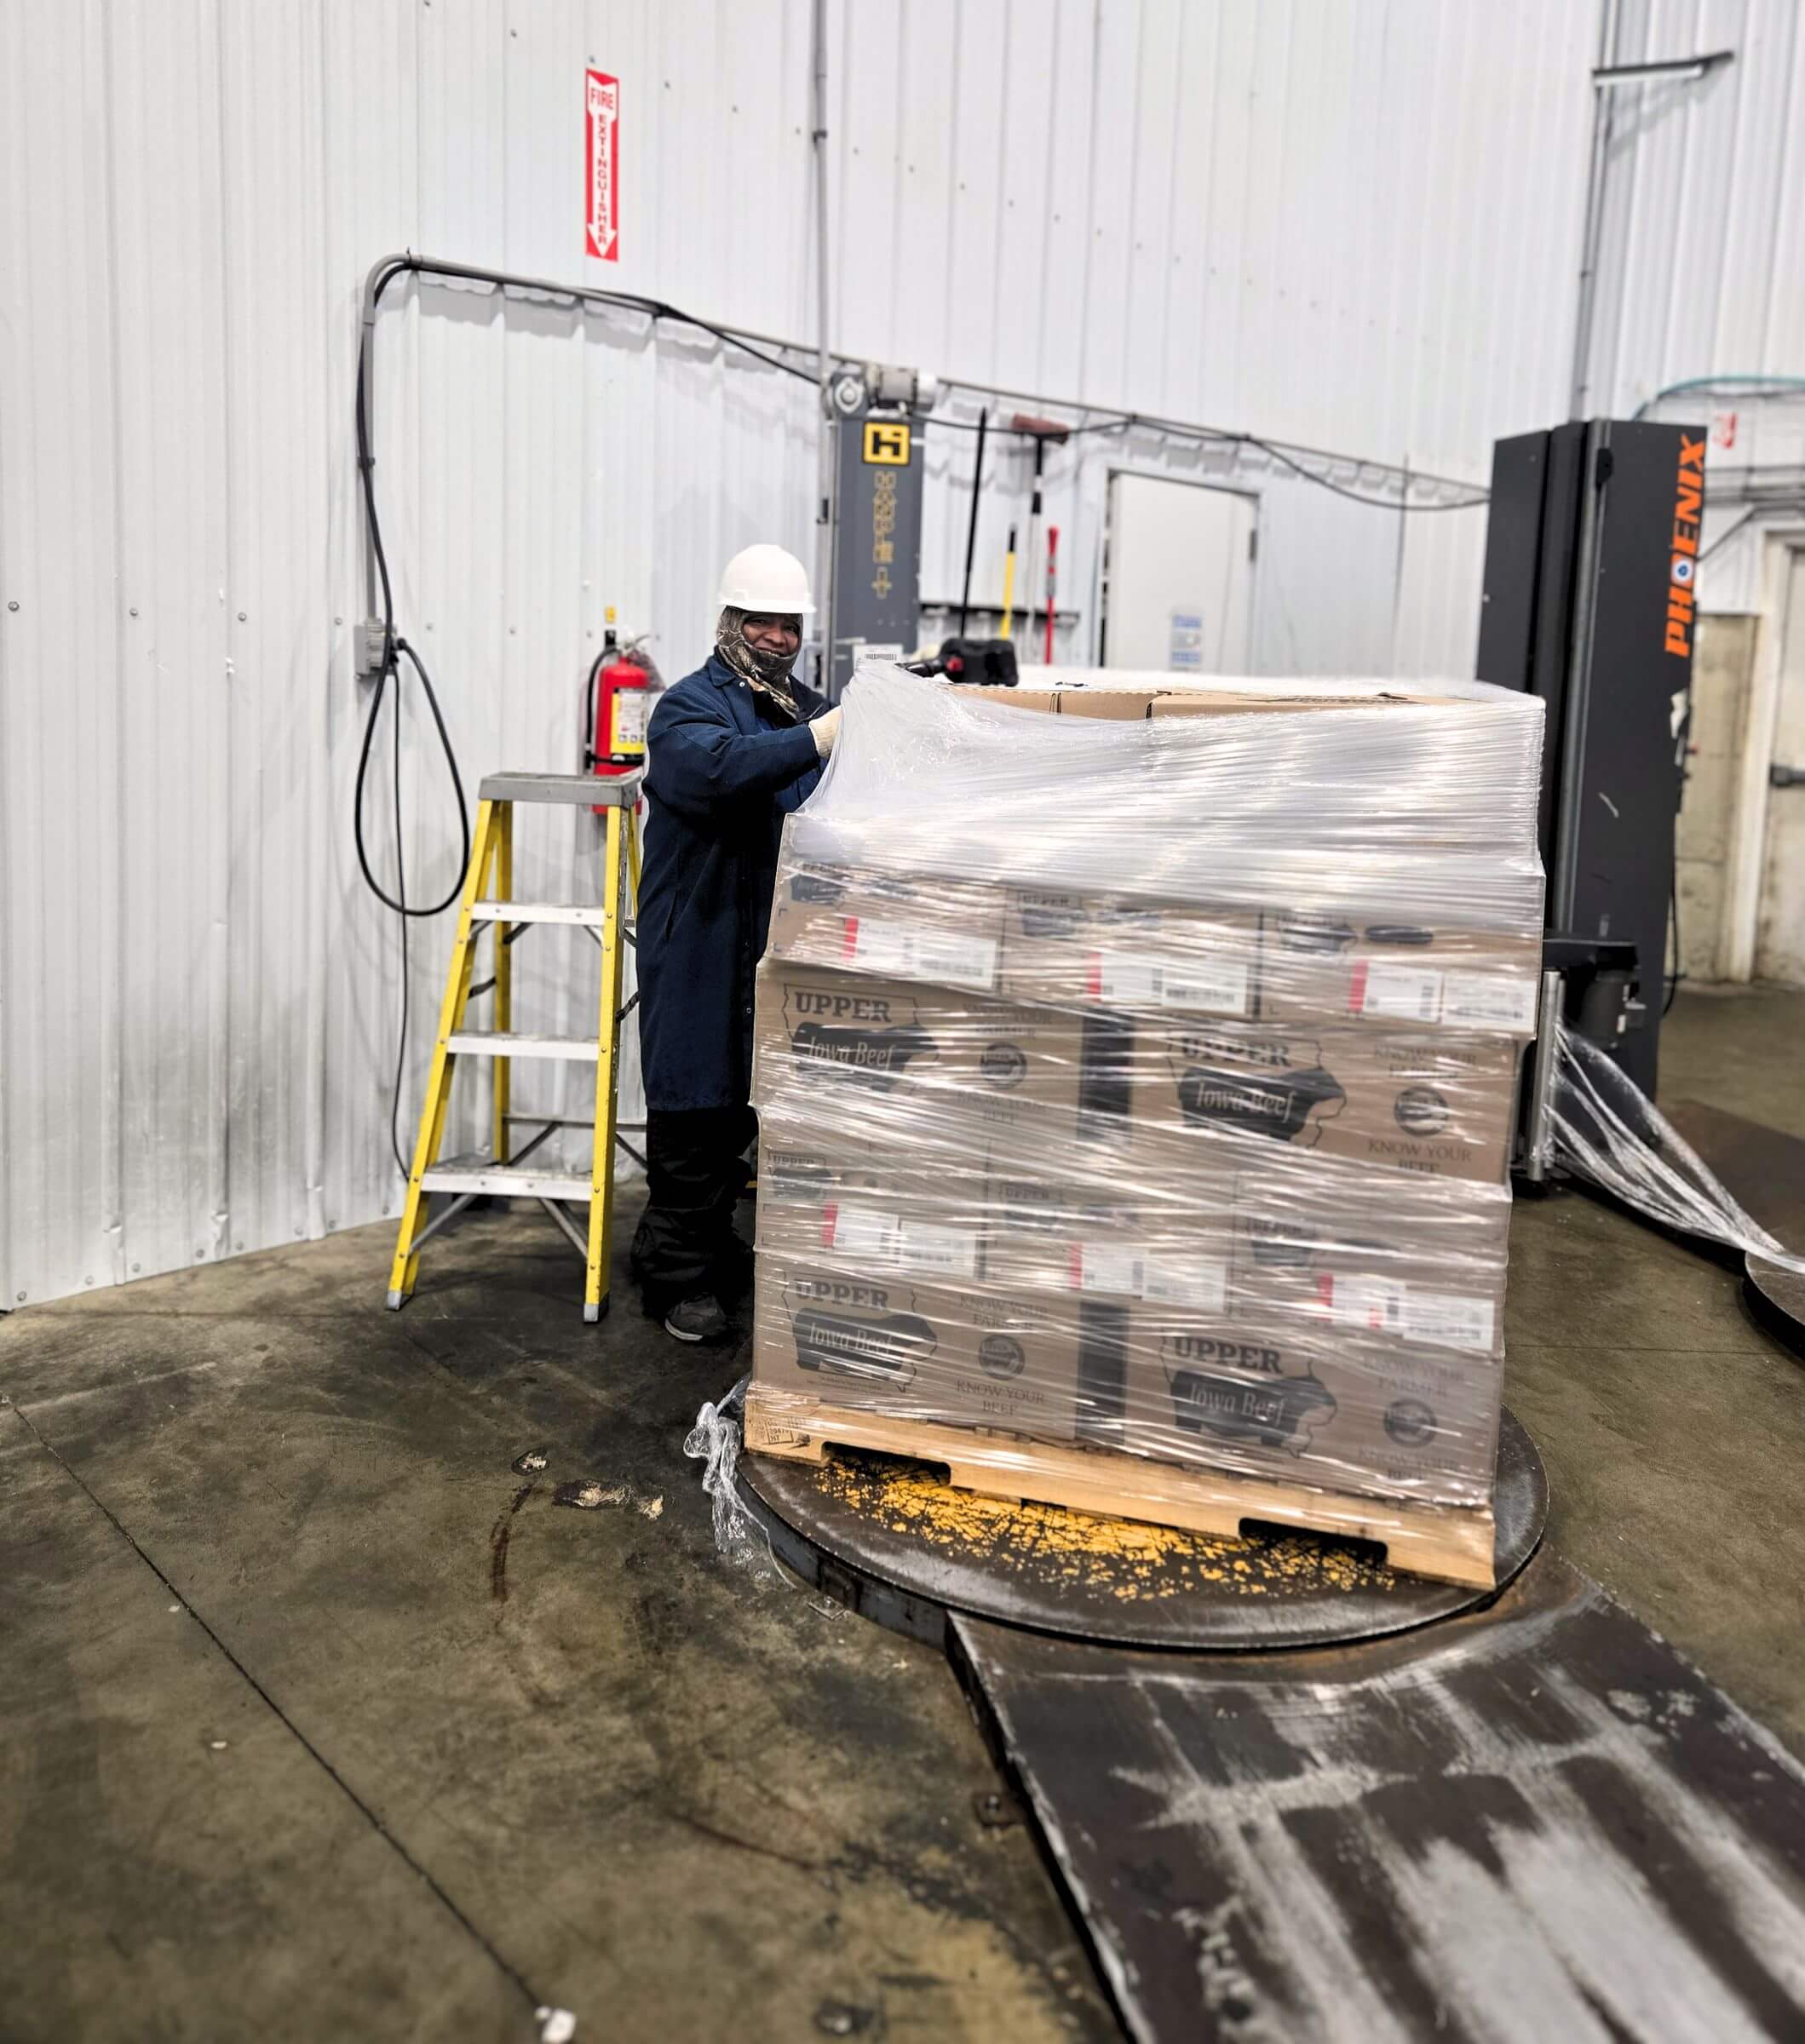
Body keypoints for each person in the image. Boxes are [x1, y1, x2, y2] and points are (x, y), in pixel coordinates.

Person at [630, 544, 842, 1341]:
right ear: (730, 622)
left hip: (778, 945)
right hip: (701, 942)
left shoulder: (807, 710)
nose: (778, 638)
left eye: (789, 626)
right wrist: (824, 738)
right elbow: (718, 772)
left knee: (755, 1113)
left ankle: (712, 1254)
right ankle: (678, 1277)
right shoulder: (688, 708)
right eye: (763, 622)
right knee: (697, 1110)